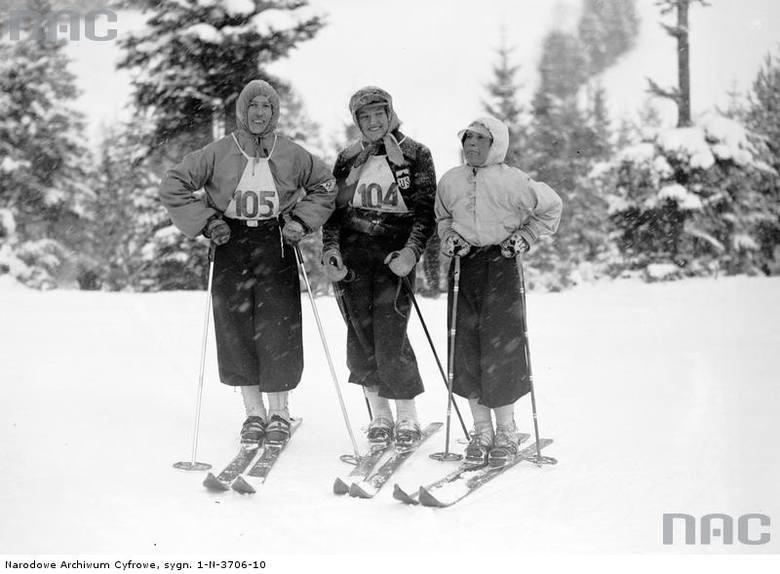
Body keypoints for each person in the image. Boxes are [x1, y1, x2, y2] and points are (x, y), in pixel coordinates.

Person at [160, 79, 336, 446]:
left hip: (276, 240)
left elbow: (325, 185)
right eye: (253, 106)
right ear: (242, 111)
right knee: (236, 325)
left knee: (278, 328)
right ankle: (253, 414)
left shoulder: (290, 153)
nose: (259, 113)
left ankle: (280, 413)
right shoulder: (220, 150)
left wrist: (300, 221)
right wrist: (209, 221)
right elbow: (174, 184)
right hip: (232, 242)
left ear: (275, 113)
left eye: (267, 107)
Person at [435, 116, 562, 466]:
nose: (471, 145)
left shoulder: (515, 181)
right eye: (467, 139)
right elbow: (442, 218)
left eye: (481, 140)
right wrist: (450, 237)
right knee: (465, 345)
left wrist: (525, 237)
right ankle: (481, 430)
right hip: (465, 265)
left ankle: (505, 429)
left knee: (500, 346)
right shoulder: (450, 181)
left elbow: (551, 208)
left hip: (501, 264)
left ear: (497, 145)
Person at [321, 86, 437, 448]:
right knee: (360, 335)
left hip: (393, 257)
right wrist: (331, 250)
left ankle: (407, 416)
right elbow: (334, 212)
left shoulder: (415, 154)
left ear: (390, 114)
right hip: (355, 257)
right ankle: (380, 416)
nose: (372, 122)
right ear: (356, 120)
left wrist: (411, 252)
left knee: (391, 334)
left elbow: (425, 211)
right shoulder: (348, 157)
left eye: (378, 114)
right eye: (364, 116)